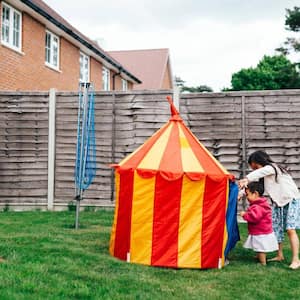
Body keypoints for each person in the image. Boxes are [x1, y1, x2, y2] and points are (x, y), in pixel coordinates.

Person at [239, 150, 300, 269]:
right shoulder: (263, 176)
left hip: (291, 200)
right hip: (278, 203)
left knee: (290, 230)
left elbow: (261, 172)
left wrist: (246, 178)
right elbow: (254, 187)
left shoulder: (273, 168)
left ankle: (296, 259)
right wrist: (241, 193)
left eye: (251, 164)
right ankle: (280, 255)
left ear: (255, 162)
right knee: (277, 229)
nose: (251, 168)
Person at [240, 181, 278, 265]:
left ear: (255, 194)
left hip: (260, 232)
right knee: (258, 245)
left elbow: (254, 218)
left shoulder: (258, 206)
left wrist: (244, 215)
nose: (246, 197)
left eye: (248, 194)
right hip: (262, 231)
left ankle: (262, 262)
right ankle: (259, 256)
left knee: (260, 247)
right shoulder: (261, 204)